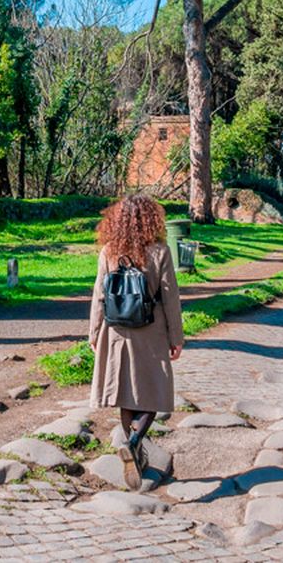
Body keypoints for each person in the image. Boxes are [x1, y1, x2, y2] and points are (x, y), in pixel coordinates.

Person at [89, 194, 183, 490]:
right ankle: (133, 443)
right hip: (151, 329)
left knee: (125, 393)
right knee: (153, 393)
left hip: (116, 331)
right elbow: (170, 297)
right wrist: (176, 337)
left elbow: (99, 296)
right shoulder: (160, 251)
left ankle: (134, 451)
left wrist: (94, 333)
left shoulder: (109, 251)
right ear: (152, 219)